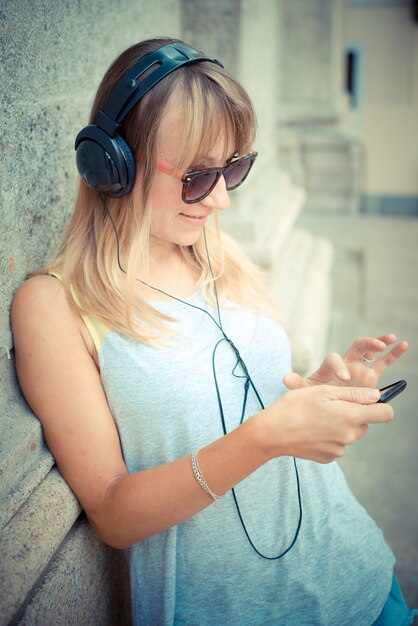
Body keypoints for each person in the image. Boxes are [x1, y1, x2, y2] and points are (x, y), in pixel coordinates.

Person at [11, 37, 417, 626]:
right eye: (198, 176)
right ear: (113, 163)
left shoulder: (212, 251)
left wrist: (314, 398)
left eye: (235, 168)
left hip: (359, 577)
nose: (221, 199)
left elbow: (237, 412)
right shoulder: (53, 304)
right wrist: (267, 437)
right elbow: (113, 514)